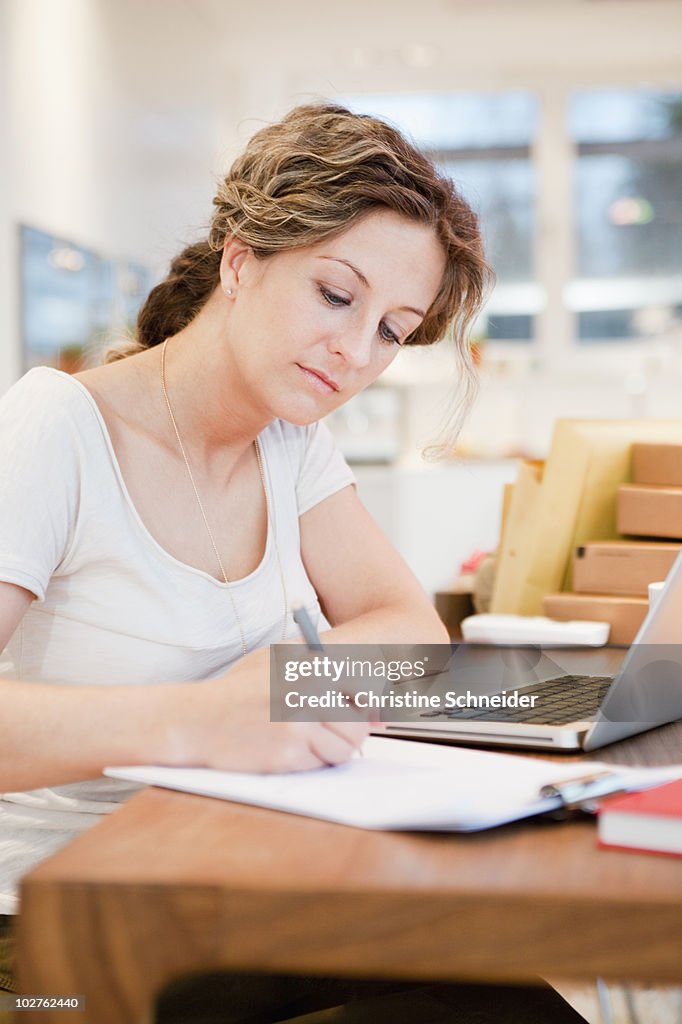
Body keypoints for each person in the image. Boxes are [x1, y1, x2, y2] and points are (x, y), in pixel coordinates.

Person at [0, 103, 588, 1022]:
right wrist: (198, 719)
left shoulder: (290, 440)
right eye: (335, 295)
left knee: (511, 996)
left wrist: (286, 686)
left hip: (230, 884)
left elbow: (411, 631)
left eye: (392, 330)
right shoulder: (55, 430)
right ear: (241, 261)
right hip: (62, 936)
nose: (356, 354)